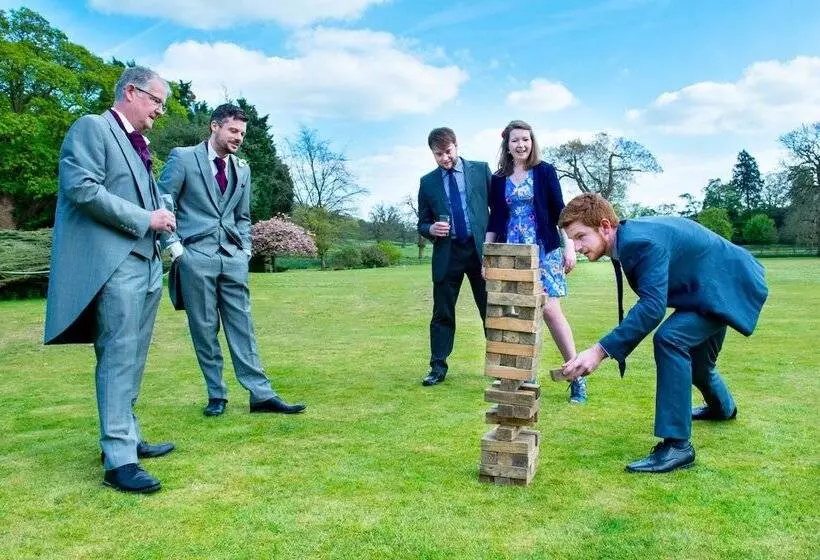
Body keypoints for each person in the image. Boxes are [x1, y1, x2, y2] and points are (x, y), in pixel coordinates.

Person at [559, 193, 768, 473]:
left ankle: (678, 447)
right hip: (711, 286)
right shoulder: (630, 239)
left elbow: (652, 307)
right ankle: (722, 408)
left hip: (727, 287)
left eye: (580, 236)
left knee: (670, 339)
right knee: (699, 364)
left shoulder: (638, 243)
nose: (576, 246)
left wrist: (599, 351)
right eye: (571, 239)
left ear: (606, 227)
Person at [44, 66, 176, 493]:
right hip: (115, 264)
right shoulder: (92, 128)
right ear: (132, 92)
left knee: (134, 357)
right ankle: (118, 460)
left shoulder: (140, 144)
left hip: (147, 262)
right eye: (156, 100)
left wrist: (162, 213)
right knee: (118, 356)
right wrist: (146, 218)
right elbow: (80, 187)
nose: (160, 110)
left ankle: (128, 438)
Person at [158, 104, 305, 417]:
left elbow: (243, 215)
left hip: (233, 259)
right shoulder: (183, 158)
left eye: (242, 133)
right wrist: (174, 248)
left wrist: (246, 249)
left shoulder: (243, 169)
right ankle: (217, 395)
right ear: (215, 127)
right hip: (195, 256)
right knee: (204, 328)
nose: (238, 138)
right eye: (233, 131)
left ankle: (261, 395)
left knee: (243, 327)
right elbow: (163, 200)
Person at [485, 120, 583, 402]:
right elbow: (495, 218)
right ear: (507, 144)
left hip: (544, 248)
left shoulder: (545, 171)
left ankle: (576, 375)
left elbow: (560, 212)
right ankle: (522, 373)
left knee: (551, 311)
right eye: (515, 140)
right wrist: (487, 254)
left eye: (525, 139)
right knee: (516, 313)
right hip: (511, 252)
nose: (521, 145)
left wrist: (570, 246)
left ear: (532, 141)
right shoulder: (498, 178)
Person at [417, 127, 491, 386]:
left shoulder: (481, 170)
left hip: (480, 252)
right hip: (448, 254)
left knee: (490, 310)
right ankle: (437, 367)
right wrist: (430, 229)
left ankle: (499, 365)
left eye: (447, 152)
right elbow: (422, 223)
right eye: (438, 155)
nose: (444, 158)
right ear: (432, 154)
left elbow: (498, 210)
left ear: (456, 145)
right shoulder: (427, 183)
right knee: (442, 313)